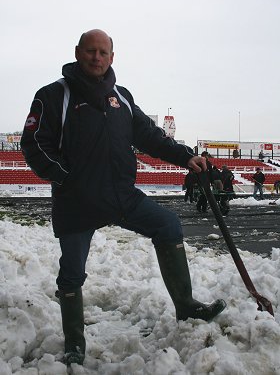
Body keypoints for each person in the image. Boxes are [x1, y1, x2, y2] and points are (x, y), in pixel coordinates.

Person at [21, 29, 226, 366]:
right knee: (71, 272)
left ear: (112, 57)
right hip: (78, 202)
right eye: (90, 51)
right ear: (77, 53)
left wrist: (185, 156)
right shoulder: (53, 95)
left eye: (103, 52)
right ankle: (74, 341)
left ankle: (187, 307)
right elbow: (33, 144)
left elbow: (149, 136)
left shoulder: (122, 97)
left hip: (121, 195)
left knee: (168, 226)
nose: (97, 57)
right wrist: (67, 178)